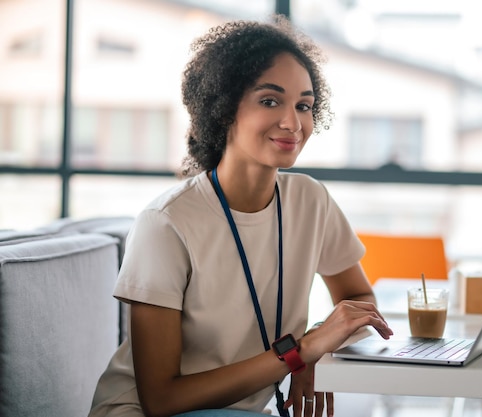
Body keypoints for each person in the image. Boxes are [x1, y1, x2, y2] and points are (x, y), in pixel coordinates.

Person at [89, 16, 393, 417]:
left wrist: (317, 350)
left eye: (304, 105)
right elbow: (162, 399)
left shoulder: (310, 200)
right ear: (223, 108)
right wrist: (297, 355)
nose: (292, 123)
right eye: (270, 101)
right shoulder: (167, 222)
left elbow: (358, 299)